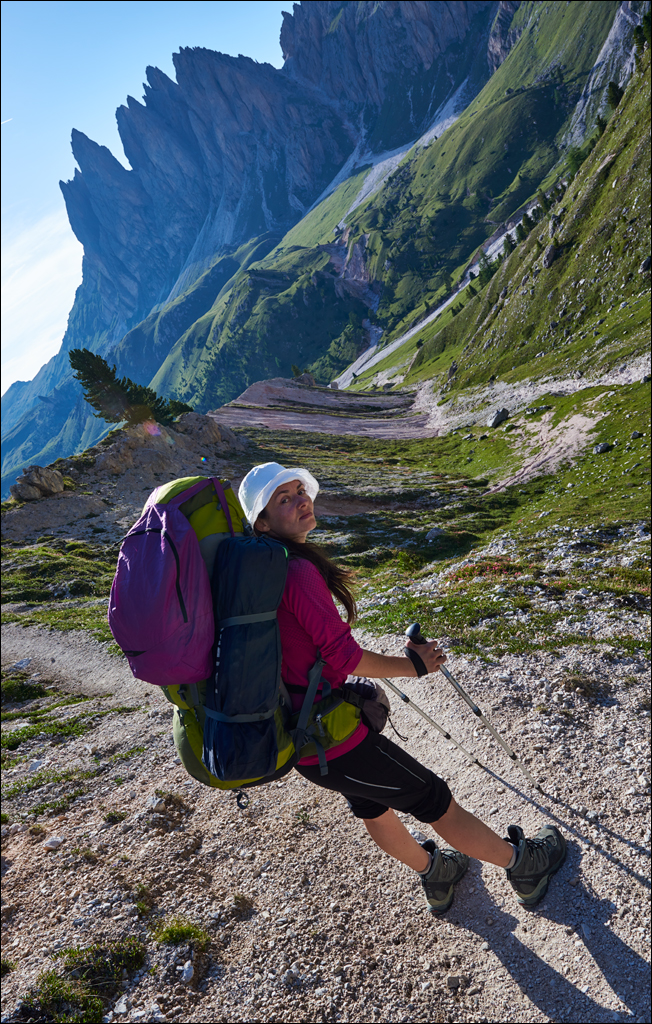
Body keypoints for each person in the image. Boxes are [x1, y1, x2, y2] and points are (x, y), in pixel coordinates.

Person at [238, 462, 566, 914]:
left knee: (372, 803)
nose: (300, 499)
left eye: (299, 490)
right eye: (283, 498)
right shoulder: (296, 572)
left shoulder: (267, 570)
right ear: (263, 522)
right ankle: (523, 865)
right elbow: (344, 656)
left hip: (310, 734)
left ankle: (437, 872)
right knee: (434, 799)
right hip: (329, 739)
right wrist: (414, 666)